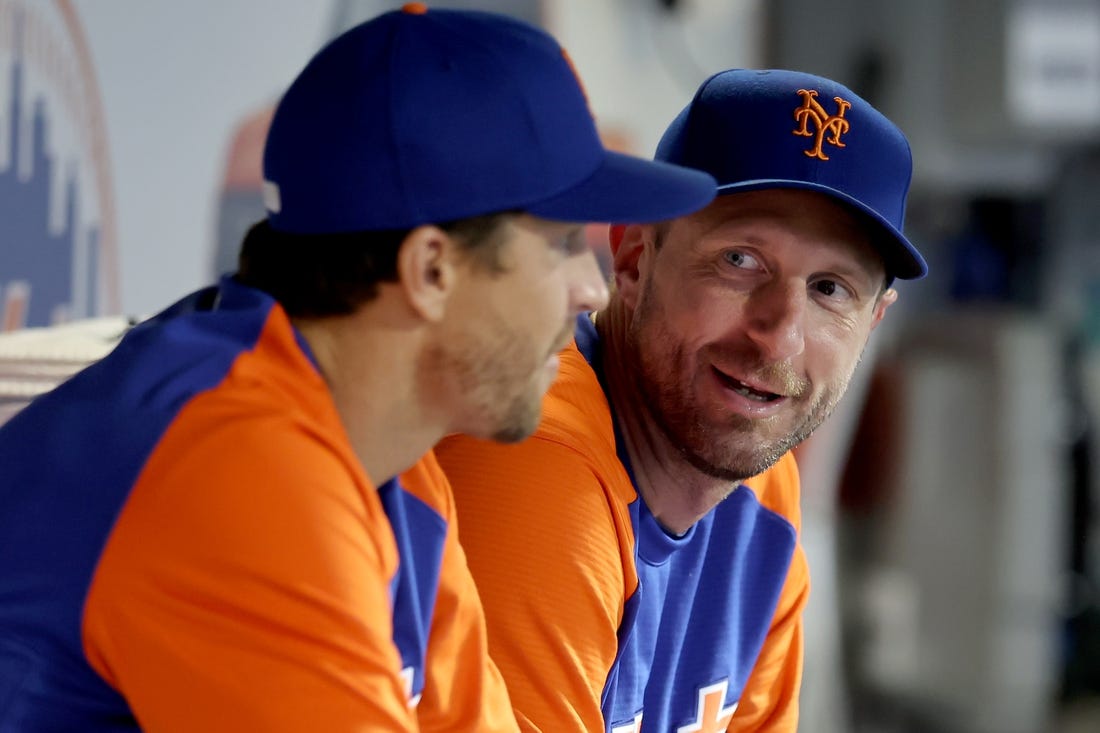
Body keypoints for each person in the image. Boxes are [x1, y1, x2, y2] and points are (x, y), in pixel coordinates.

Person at [0, 6, 718, 732]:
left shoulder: (395, 465)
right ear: (431, 269)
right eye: (563, 243)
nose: (592, 289)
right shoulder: (237, 465)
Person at [436, 68, 929, 732]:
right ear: (635, 257)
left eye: (830, 289)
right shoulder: (537, 457)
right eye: (740, 261)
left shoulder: (761, 494)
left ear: (872, 323)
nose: (779, 337)